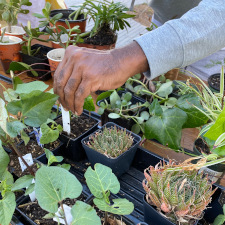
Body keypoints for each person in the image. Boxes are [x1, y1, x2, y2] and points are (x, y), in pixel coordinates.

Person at [53, 0, 225, 115]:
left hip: (214, 37)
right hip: (165, 20)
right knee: (154, 90)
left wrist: (122, 59)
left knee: (203, 109)